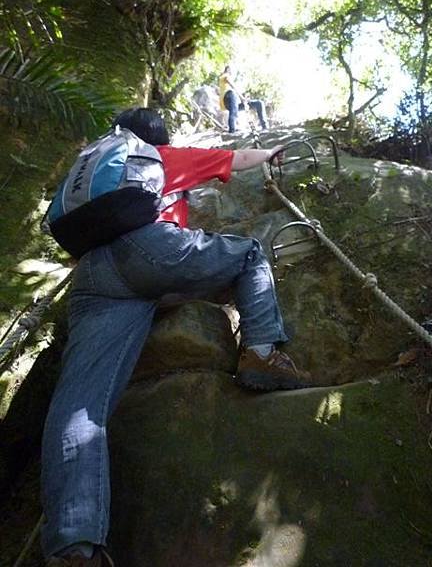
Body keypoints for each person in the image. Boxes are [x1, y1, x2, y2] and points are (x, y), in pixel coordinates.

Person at [41, 108, 312, 566]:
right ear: (156, 139)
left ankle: (74, 546)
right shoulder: (163, 156)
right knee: (248, 255)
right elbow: (235, 158)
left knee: (79, 407)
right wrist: (272, 152)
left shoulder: (93, 169)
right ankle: (262, 353)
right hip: (150, 250)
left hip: (93, 277)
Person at [218, 65, 268, 133]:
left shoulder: (227, 81)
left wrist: (244, 99)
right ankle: (232, 131)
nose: (232, 72)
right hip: (229, 96)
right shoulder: (225, 76)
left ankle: (265, 127)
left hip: (234, 102)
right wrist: (242, 97)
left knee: (259, 103)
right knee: (233, 112)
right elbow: (232, 85)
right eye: (231, 70)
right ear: (228, 70)